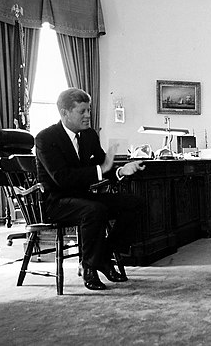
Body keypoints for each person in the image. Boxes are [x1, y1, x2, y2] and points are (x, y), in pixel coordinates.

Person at [35, 88, 145, 291]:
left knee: (135, 203)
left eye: (89, 110)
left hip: (84, 198)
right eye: (82, 111)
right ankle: (90, 267)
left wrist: (121, 170)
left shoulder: (89, 135)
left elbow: (105, 164)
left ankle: (103, 256)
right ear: (64, 113)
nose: (87, 116)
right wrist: (100, 170)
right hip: (56, 202)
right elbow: (62, 179)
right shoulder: (45, 138)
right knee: (95, 210)